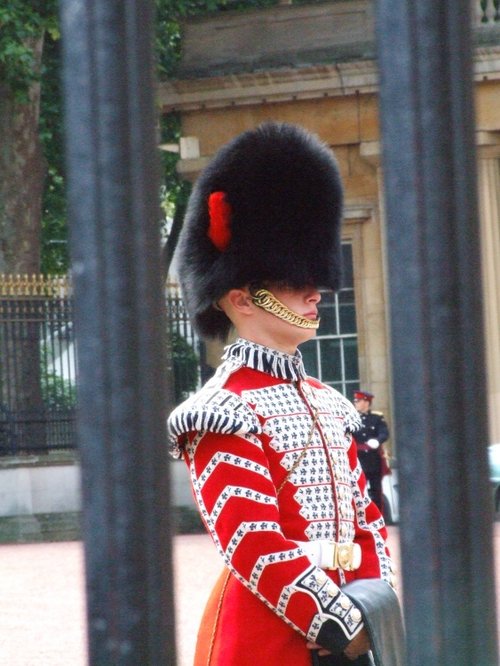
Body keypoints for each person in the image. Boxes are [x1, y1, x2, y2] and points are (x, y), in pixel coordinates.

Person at [168, 122, 401, 665]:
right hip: (268, 636)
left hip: (354, 628)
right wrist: (341, 622)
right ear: (242, 297)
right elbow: (254, 544)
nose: (313, 291)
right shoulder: (219, 410)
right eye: (293, 281)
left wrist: (371, 609)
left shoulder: (329, 403)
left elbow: (367, 520)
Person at [351, 391, 390, 513]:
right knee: (358, 491)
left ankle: (379, 516)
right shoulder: (352, 417)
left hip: (373, 460)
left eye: (358, 401)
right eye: (355, 401)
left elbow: (384, 433)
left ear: (366, 402)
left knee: (376, 490)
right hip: (358, 460)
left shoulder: (376, 417)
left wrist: (377, 441)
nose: (355, 403)